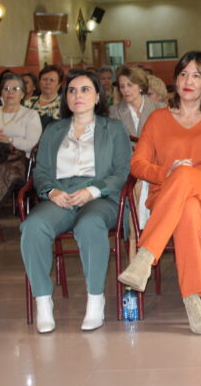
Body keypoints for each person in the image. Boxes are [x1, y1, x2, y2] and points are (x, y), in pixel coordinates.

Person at [118, 51, 201, 334]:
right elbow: (137, 164)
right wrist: (168, 173)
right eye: (183, 74)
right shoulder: (158, 119)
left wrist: (192, 172)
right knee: (186, 209)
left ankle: (145, 257)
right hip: (168, 198)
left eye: (197, 75)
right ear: (175, 80)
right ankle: (193, 299)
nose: (189, 80)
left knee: (187, 179)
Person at [19, 70, 131, 333]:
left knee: (90, 223)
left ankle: (95, 301)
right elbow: (42, 171)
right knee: (33, 226)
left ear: (96, 96)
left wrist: (94, 190)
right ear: (65, 96)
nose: (77, 95)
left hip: (100, 195)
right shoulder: (54, 130)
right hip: (61, 195)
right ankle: (43, 303)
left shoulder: (113, 128)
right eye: (71, 90)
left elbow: (122, 171)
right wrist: (50, 192)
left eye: (84, 90)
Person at [0, 73, 42, 213]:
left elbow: (33, 144)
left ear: (23, 94)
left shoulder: (30, 115)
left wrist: (9, 140)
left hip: (21, 160)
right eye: (6, 88)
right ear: (1, 92)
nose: (10, 92)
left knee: (4, 170)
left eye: (15, 89)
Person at [109, 66, 165, 138]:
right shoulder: (114, 111)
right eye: (122, 86)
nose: (125, 90)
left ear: (141, 86)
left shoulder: (160, 108)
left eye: (130, 85)